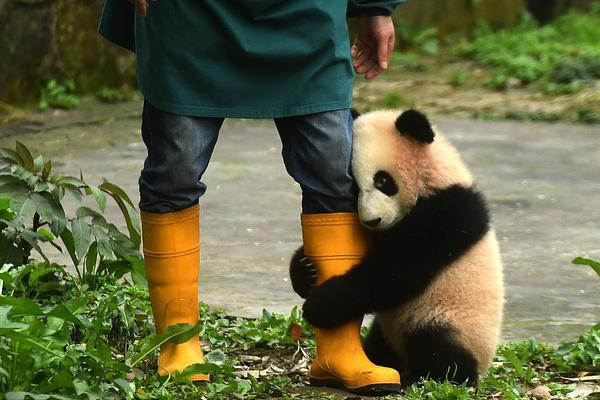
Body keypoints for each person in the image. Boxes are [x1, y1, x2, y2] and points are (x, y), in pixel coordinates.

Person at [98, 0, 405, 394]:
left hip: (306, 12)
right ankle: (178, 342)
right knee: (175, 170)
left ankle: (339, 346)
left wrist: (375, 5)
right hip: (190, 15)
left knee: (334, 170)